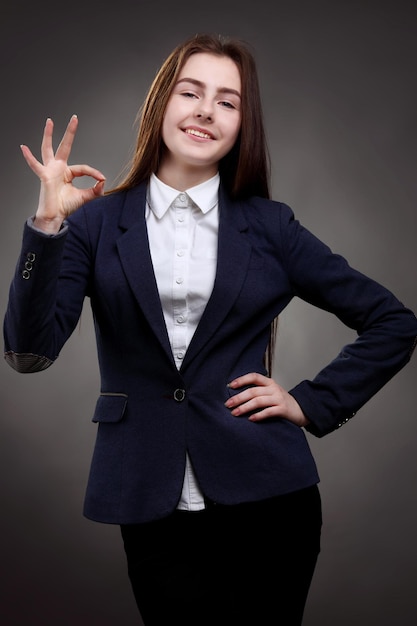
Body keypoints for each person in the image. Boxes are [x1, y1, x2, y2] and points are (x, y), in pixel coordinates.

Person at [3, 33, 417, 626]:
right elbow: (27, 352)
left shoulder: (270, 226)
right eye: (190, 92)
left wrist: (309, 402)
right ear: (160, 106)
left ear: (242, 125)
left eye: (227, 101)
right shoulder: (95, 222)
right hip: (149, 498)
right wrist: (47, 225)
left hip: (272, 501)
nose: (204, 110)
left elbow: (393, 322)